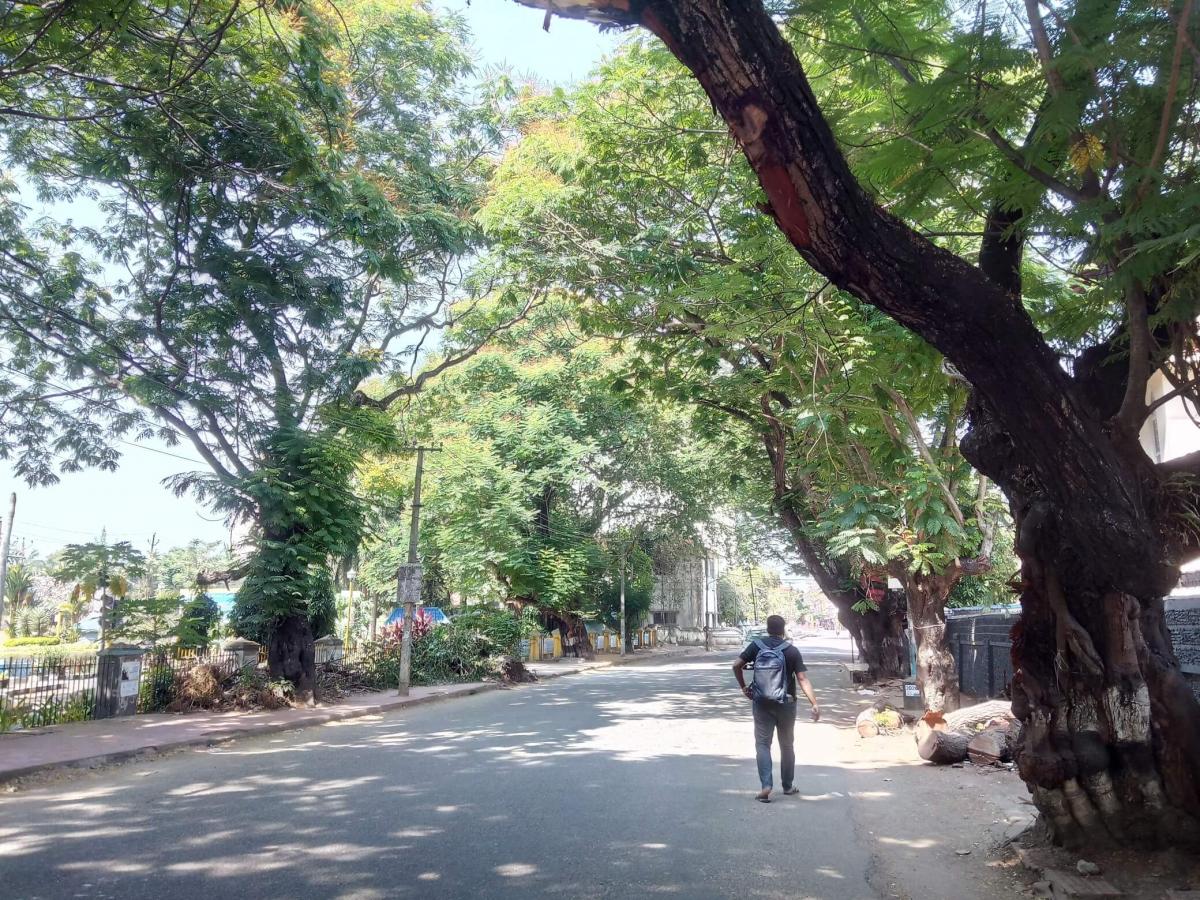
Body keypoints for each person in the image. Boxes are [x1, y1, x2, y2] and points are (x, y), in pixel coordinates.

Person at [732, 614, 820, 803]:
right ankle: (787, 786)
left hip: (761, 703)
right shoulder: (792, 651)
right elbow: (803, 679)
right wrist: (814, 703)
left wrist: (744, 687)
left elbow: (736, 665)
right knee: (787, 745)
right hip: (786, 704)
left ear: (767, 628)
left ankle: (766, 786)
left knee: (763, 744)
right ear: (783, 629)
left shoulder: (756, 646)